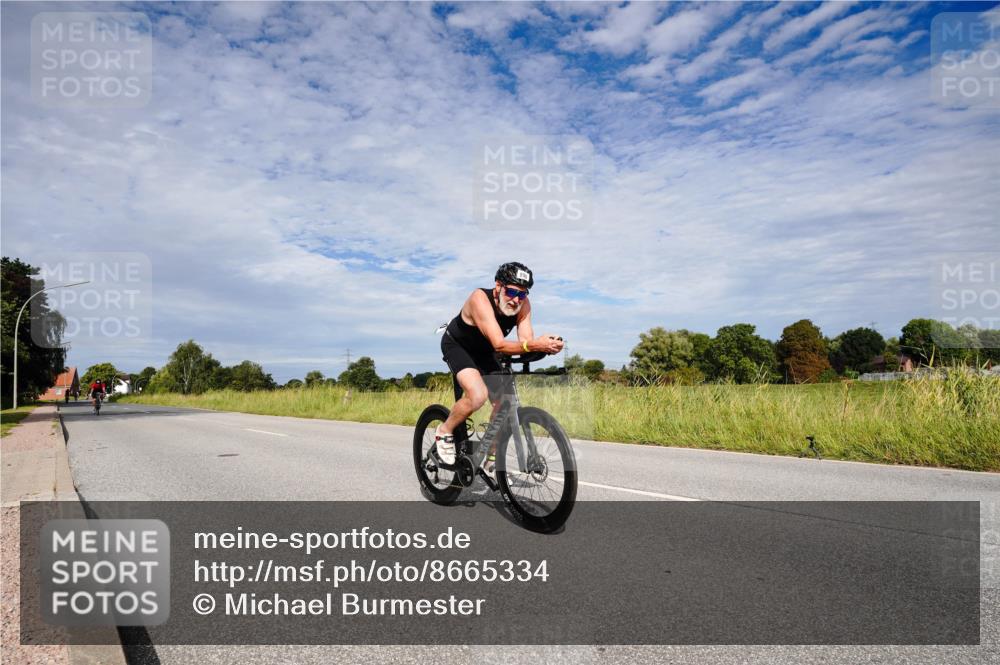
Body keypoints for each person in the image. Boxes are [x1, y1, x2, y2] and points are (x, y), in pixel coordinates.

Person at [437, 262, 563, 471]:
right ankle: (445, 430)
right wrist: (535, 345)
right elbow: (499, 344)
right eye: (511, 292)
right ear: (498, 286)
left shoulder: (523, 305)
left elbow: (525, 342)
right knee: (477, 395)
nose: (516, 299)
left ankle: (491, 453)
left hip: (487, 351)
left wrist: (547, 346)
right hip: (459, 346)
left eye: (522, 294)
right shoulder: (479, 299)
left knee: (505, 402)